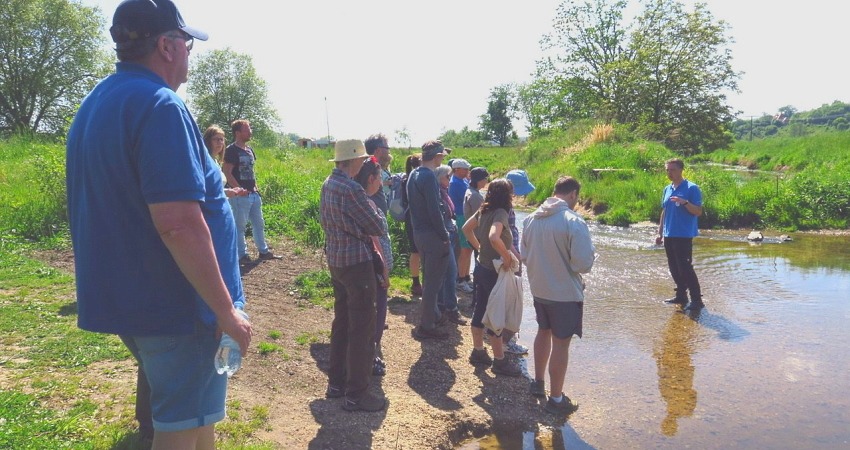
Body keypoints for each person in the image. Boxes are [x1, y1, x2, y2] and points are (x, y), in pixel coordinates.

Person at [65, 0, 253, 447]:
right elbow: (178, 224)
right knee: (181, 429)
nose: (190, 53)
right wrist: (226, 311)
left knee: (196, 417)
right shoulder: (161, 106)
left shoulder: (97, 102)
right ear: (167, 47)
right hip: (178, 310)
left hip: (132, 301)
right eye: (187, 43)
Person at [319, 139, 387, 412]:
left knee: (342, 322)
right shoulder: (352, 189)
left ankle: (336, 384)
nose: (363, 163)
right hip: (357, 264)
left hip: (336, 261)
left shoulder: (329, 183)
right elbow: (378, 225)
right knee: (362, 328)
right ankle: (357, 394)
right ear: (353, 160)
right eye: (361, 158)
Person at [521, 176, 596, 416]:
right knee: (561, 343)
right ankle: (556, 399)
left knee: (543, 331)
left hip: (539, 289)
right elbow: (583, 264)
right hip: (564, 294)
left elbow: (524, 254)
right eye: (576, 198)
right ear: (573, 194)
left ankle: (538, 382)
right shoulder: (573, 221)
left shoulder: (531, 219)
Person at [462, 178, 522, 377]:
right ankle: (499, 361)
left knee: (480, 309)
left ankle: (478, 351)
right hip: (495, 271)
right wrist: (507, 257)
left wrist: (479, 249)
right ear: (507, 196)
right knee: (497, 314)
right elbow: (494, 237)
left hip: (481, 267)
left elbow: (466, 229)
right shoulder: (501, 213)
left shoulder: (484, 210)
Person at [353, 155, 393, 377]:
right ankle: (370, 355)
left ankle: (368, 353)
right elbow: (375, 241)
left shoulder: (356, 200)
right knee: (376, 313)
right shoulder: (367, 203)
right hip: (373, 268)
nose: (381, 182)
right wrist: (384, 270)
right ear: (371, 178)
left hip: (364, 266)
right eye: (379, 178)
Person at [407, 140, 451, 340]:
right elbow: (435, 211)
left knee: (428, 277)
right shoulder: (429, 177)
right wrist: (445, 236)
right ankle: (427, 326)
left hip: (419, 234)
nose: (443, 158)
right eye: (442, 155)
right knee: (432, 284)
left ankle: (432, 316)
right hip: (432, 235)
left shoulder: (414, 174)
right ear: (437, 157)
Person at [222, 119, 281, 265]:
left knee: (259, 223)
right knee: (240, 226)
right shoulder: (231, 150)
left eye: (249, 129)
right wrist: (238, 190)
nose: (250, 132)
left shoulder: (249, 150)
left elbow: (251, 171)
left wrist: (256, 188)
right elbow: (227, 172)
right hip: (240, 196)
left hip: (253, 194)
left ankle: (263, 251)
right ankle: (242, 255)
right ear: (238, 133)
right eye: (247, 129)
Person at [655, 158, 704, 311]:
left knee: (685, 268)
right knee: (674, 268)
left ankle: (697, 299)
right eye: (667, 170)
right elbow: (665, 211)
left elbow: (698, 211)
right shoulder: (667, 189)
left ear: (681, 170)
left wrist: (684, 202)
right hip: (669, 234)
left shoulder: (691, 188)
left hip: (684, 234)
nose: (670, 173)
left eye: (673, 170)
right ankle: (681, 295)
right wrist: (660, 232)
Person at [502, 169, 537, 355]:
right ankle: (507, 342)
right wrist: (518, 258)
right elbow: (504, 238)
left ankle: (502, 338)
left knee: (507, 299)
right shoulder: (505, 207)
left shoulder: (496, 203)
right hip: (511, 258)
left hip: (506, 256)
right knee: (513, 301)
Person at [434, 164, 468, 326]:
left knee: (447, 272)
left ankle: (443, 306)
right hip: (445, 237)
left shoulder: (443, 192)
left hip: (449, 233)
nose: (449, 179)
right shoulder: (437, 194)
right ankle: (449, 308)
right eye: (447, 177)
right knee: (450, 272)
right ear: (439, 178)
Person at [449, 158, 474, 293]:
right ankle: (460, 279)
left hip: (465, 216)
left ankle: (465, 277)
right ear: (457, 169)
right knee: (465, 249)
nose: (467, 171)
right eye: (465, 169)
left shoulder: (462, 181)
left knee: (468, 249)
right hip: (461, 216)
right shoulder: (455, 183)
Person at [203, 125, 248, 198]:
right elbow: (205, 188)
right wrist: (226, 192)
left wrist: (231, 190)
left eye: (221, 139)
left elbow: (218, 188)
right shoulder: (204, 161)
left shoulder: (216, 162)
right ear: (208, 141)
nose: (219, 142)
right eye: (216, 139)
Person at [401, 154, 423, 296]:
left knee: (414, 251)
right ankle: (420, 283)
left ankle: (416, 283)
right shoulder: (417, 178)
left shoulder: (404, 179)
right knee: (421, 251)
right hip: (418, 216)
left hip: (409, 216)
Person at [364, 133, 392, 214]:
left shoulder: (372, 167)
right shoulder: (368, 170)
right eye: (387, 148)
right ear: (378, 150)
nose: (389, 151)